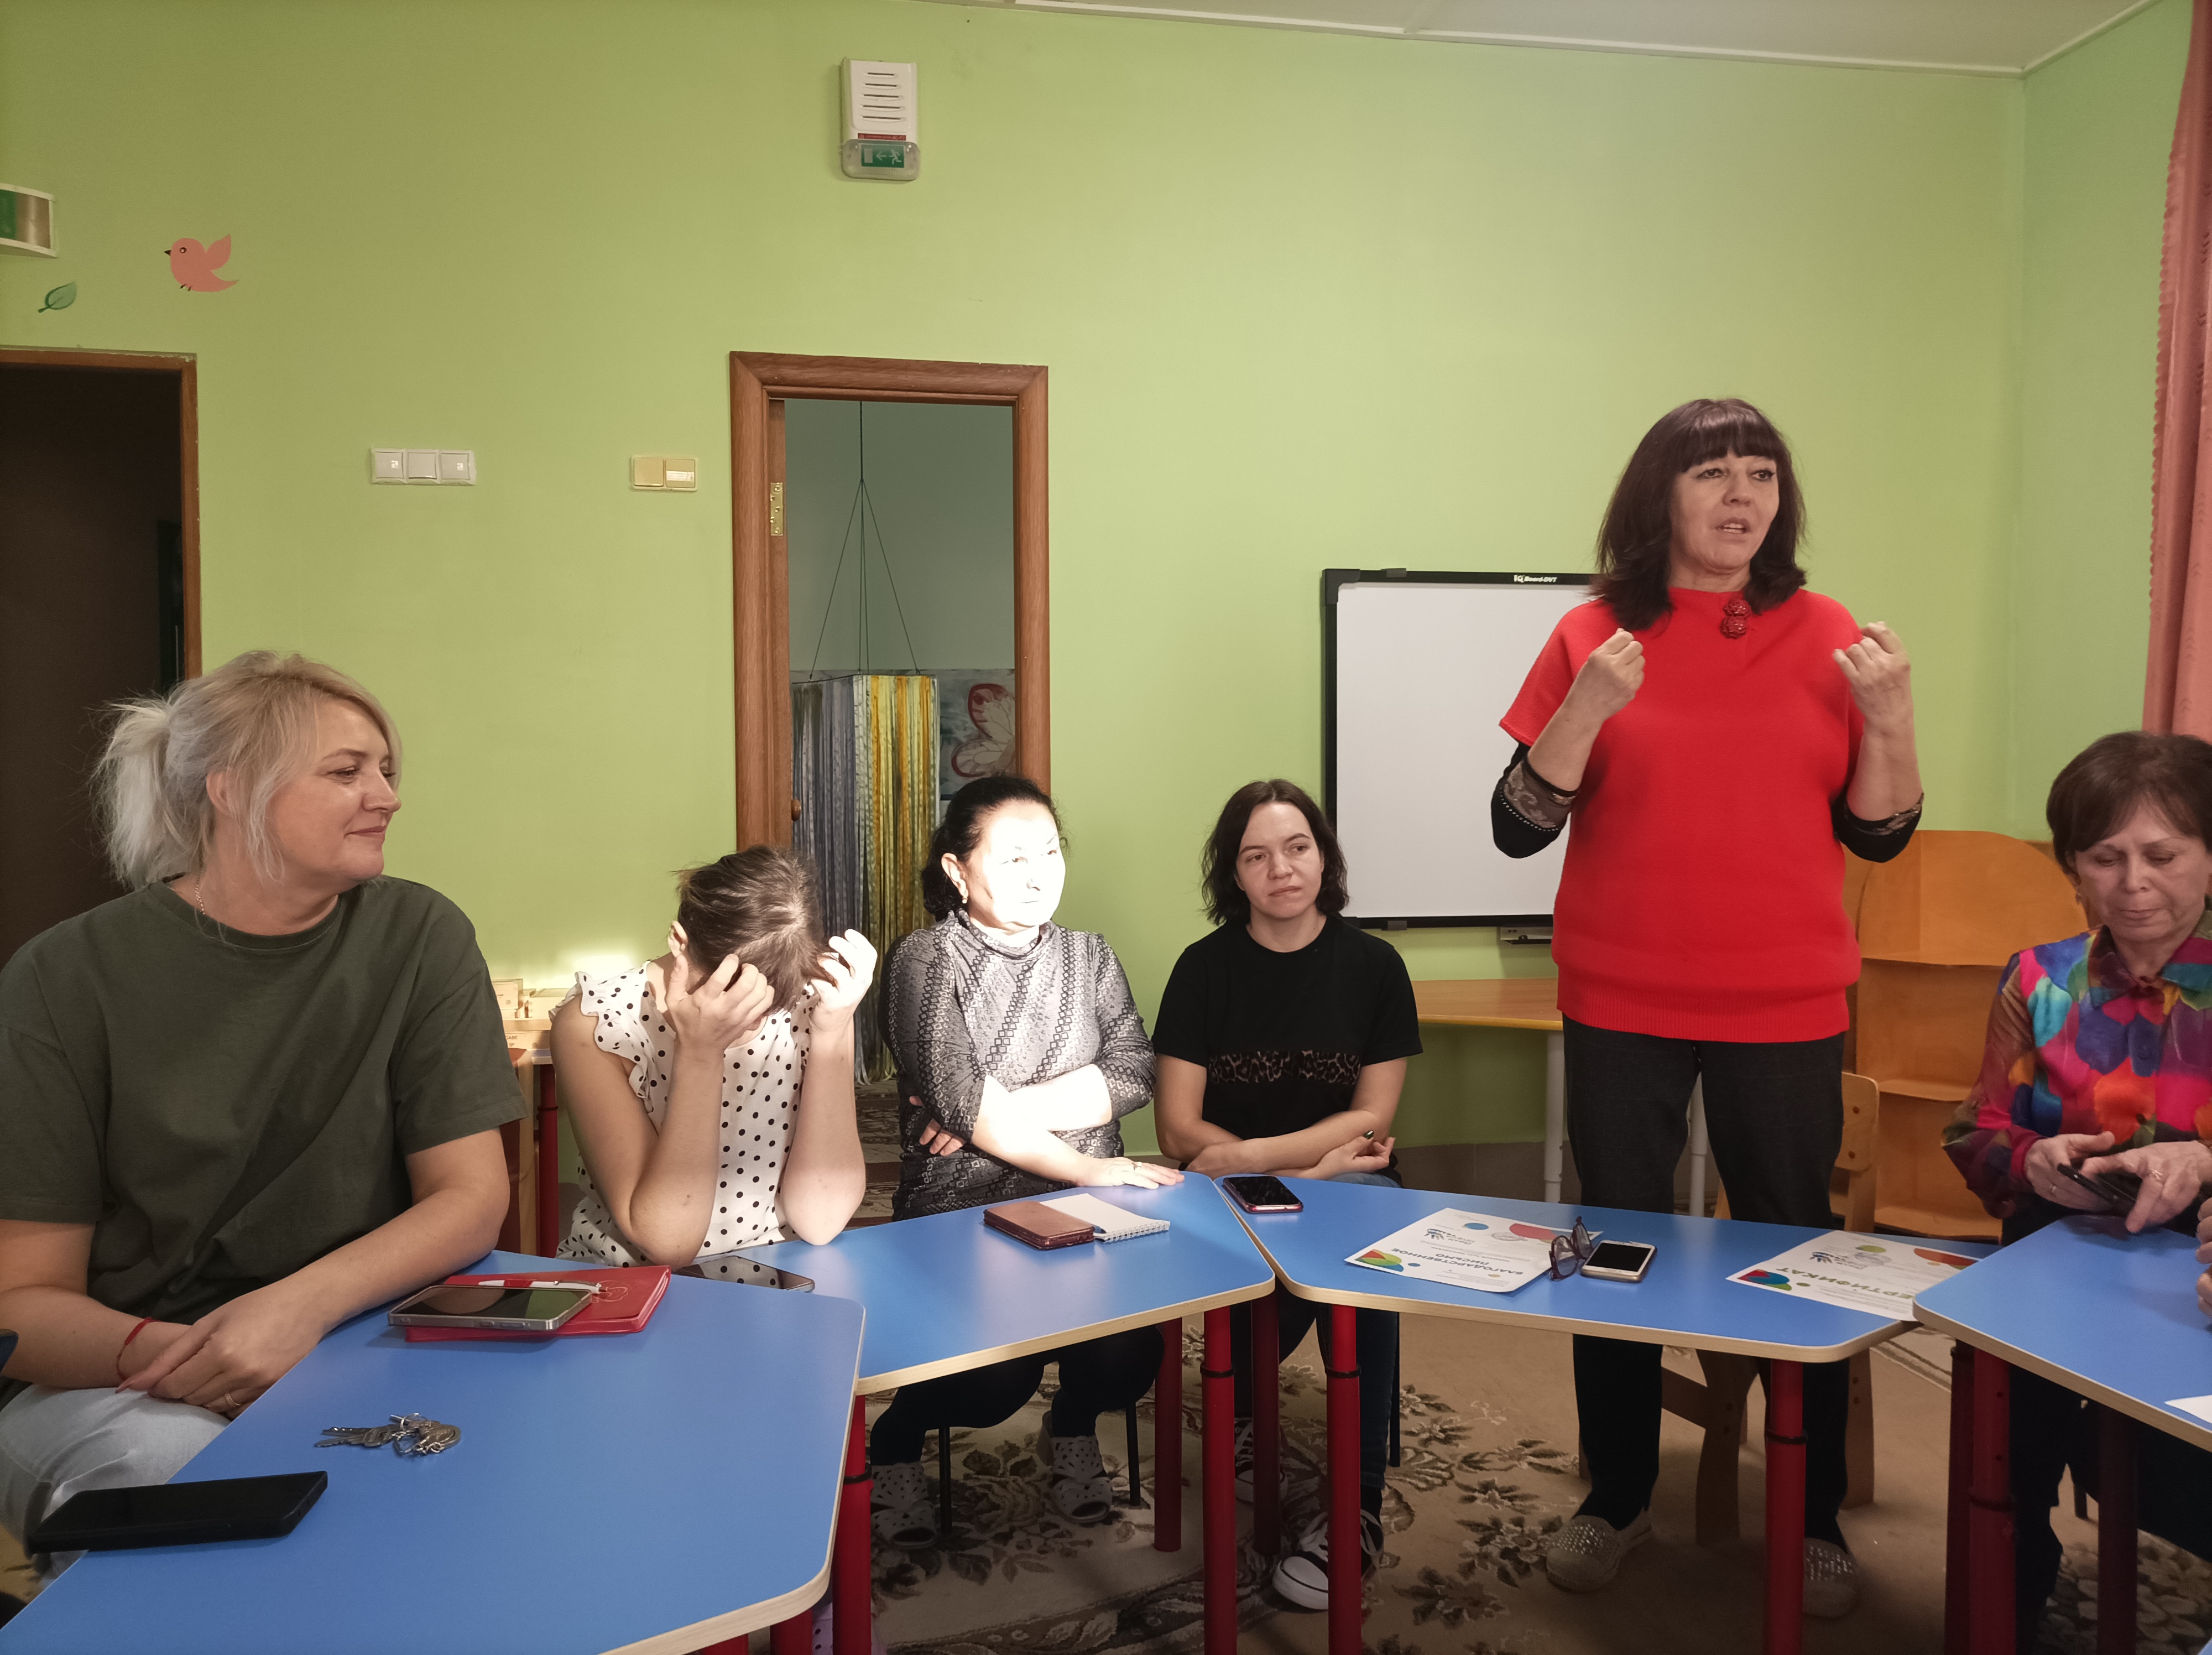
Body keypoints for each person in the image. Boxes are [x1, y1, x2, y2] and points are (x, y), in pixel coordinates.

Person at [1493, 398, 1922, 1613]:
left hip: (1786, 1002)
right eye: (1713, 474)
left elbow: (1880, 834)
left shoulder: (1827, 632)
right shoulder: (1591, 633)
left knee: (1793, 1249)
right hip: (1621, 995)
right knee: (1610, 1245)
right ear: (1659, 496)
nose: (1742, 496)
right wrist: (1585, 706)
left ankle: (1811, 1513)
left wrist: (1890, 717)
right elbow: (1516, 827)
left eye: (1761, 474)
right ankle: (1618, 1494)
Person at [0, 652, 521, 1582]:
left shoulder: (420, 935)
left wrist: (297, 1312)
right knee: (196, 1495)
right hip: (123, 1378)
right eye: (347, 771)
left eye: (386, 770)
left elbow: (470, 1197)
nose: (387, 796)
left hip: (357, 1344)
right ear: (231, 789)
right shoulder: (61, 978)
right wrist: (198, 1359)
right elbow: (23, 1302)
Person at [1942, 731, 2212, 1644]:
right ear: (2073, 868)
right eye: (2104, 857)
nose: (2133, 883)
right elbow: (1975, 1128)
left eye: (2163, 855)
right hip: (2054, 1256)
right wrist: (2032, 1161)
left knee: (2175, 1475)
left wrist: (2202, 1160)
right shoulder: (2039, 978)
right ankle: (2012, 1607)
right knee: (2008, 1445)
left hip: (2199, 1270)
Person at [872, 776, 1179, 1548]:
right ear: (957, 870)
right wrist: (1083, 1164)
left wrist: (989, 1111)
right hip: (964, 1204)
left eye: (1049, 852)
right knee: (992, 1382)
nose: (1039, 874)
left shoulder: (1089, 954)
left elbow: (1134, 1073)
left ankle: (1071, 1425)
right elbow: (958, 1096)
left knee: (1129, 1357)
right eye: (1013, 858)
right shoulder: (923, 959)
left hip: (1087, 1211)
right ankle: (894, 1439)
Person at [1152, 778, 1414, 1612]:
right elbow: (1176, 1131)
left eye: (1297, 847)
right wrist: (1304, 1167)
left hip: (1342, 1186)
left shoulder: (1375, 968)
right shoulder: (1202, 970)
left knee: (1361, 1254)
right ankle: (1242, 1412)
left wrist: (1251, 1156)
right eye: (1256, 856)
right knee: (1261, 1299)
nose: (1282, 870)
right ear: (1233, 875)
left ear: (1324, 856)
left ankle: (1357, 1511)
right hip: (1234, 1198)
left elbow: (1371, 1121)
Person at [554, 847, 875, 1275]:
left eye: (767, 1006)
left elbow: (821, 1222)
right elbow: (668, 1242)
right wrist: (700, 1057)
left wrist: (833, 1034)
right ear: (679, 943)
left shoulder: (814, 1004)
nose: (747, 1019)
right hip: (629, 1281)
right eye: (729, 992)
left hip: (774, 1277)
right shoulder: (597, 1024)